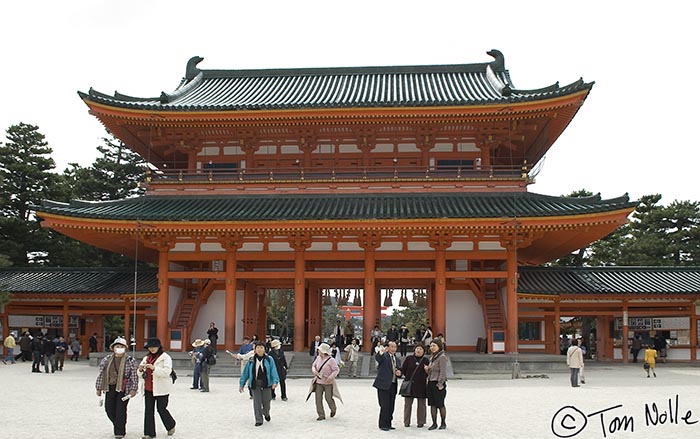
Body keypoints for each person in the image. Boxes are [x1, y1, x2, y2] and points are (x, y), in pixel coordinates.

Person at [95, 337, 139, 439]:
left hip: (124, 388)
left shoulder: (130, 360)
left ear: (125, 348)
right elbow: (101, 374)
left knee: (121, 409)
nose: (119, 348)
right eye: (117, 346)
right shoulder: (106, 360)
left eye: (121, 347)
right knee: (109, 409)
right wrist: (98, 387)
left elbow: (134, 376)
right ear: (113, 348)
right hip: (109, 386)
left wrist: (133, 389)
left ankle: (119, 432)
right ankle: (119, 425)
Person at [138, 337, 176, 438]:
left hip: (162, 388)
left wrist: (154, 368)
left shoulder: (166, 357)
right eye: (150, 347)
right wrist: (141, 370)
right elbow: (139, 374)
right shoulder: (146, 358)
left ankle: (171, 425)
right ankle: (149, 433)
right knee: (148, 411)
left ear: (159, 347)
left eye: (154, 346)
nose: (152, 349)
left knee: (161, 409)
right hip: (148, 388)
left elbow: (166, 372)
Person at [239, 341, 279, 426]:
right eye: (258, 347)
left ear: (265, 349)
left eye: (261, 348)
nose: (260, 349)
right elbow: (245, 373)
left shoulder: (269, 359)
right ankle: (258, 419)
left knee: (267, 401)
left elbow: (273, 371)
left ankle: (266, 413)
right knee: (257, 402)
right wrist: (241, 384)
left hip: (266, 383)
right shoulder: (251, 360)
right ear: (255, 349)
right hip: (255, 383)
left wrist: (275, 381)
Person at [373, 341, 402, 431]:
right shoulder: (384, 356)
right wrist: (381, 352)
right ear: (388, 347)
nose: (393, 349)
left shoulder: (397, 359)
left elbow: (399, 370)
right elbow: (378, 358)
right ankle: (382, 424)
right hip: (383, 384)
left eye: (395, 347)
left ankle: (389, 423)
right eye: (392, 347)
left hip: (393, 384)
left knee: (391, 405)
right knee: (384, 405)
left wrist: (399, 373)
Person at [310, 342, 341, 421]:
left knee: (328, 398)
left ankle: (333, 409)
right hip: (319, 381)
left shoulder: (331, 360)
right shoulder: (318, 358)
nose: (318, 351)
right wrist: (314, 371)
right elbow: (313, 365)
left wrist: (331, 377)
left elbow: (336, 369)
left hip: (328, 382)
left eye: (319, 350)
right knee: (318, 398)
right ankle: (321, 414)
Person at [401, 343, 429, 428]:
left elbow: (428, 373)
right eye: (417, 348)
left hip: (421, 385)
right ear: (414, 349)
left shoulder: (425, 360)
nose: (418, 350)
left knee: (422, 405)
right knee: (407, 404)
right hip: (410, 384)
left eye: (421, 349)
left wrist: (427, 370)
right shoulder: (409, 358)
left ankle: (421, 421)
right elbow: (404, 370)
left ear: (423, 351)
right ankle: (406, 422)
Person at [425, 339, 448, 430]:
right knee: (432, 404)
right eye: (431, 346)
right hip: (430, 381)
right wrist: (428, 369)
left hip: (438, 383)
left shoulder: (442, 357)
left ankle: (443, 422)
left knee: (440, 404)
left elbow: (443, 371)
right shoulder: (432, 357)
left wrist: (440, 383)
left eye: (434, 346)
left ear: (439, 346)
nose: (432, 348)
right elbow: (432, 370)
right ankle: (434, 423)